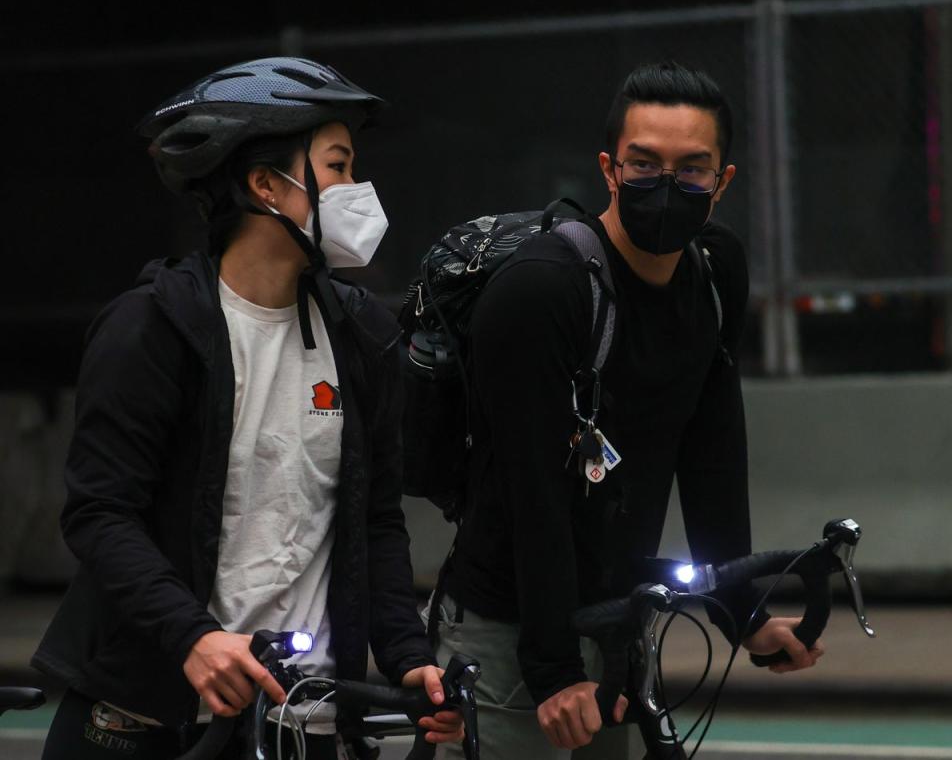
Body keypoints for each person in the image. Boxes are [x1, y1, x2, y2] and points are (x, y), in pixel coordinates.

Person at [32, 57, 461, 759]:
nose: (356, 190)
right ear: (266, 185)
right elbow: (100, 514)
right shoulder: (151, 329)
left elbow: (375, 523)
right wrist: (193, 636)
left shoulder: (363, 337)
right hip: (146, 716)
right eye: (338, 165)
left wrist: (409, 655)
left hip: (306, 718)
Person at [432, 61, 824, 759]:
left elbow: (712, 445)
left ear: (724, 181)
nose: (666, 186)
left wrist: (741, 609)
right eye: (644, 164)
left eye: (692, 170)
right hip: (507, 626)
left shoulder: (714, 269)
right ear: (609, 170)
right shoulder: (542, 292)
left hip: (620, 621)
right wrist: (551, 668)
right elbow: (535, 494)